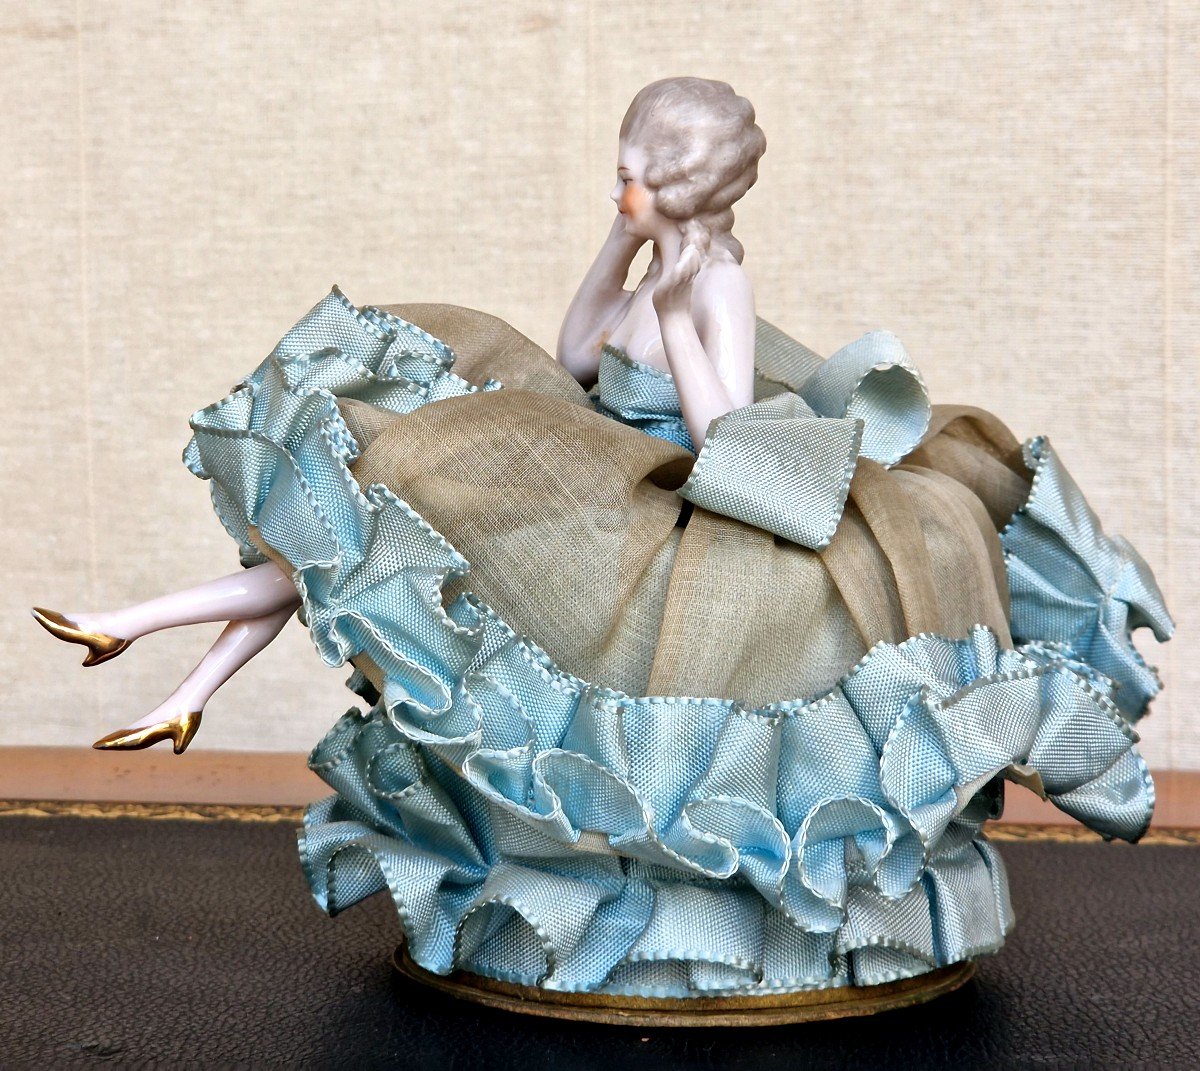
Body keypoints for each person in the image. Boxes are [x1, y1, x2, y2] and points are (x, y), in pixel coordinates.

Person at [32, 78, 1172, 996]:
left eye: (632, 177)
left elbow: (723, 430)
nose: (618, 190)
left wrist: (674, 313)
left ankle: (145, 640)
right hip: (591, 448)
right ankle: (152, 651)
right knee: (380, 488)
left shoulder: (718, 284)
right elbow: (575, 356)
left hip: (664, 488)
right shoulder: (655, 258)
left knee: (407, 505)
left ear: (681, 188)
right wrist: (616, 255)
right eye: (619, 174)